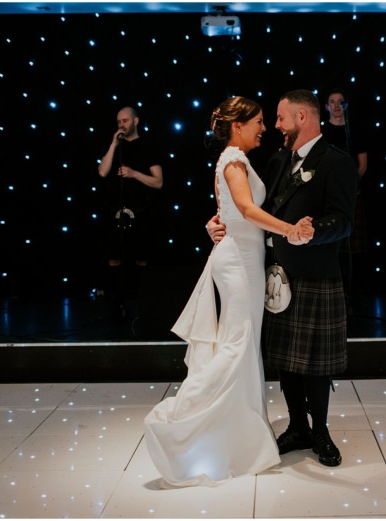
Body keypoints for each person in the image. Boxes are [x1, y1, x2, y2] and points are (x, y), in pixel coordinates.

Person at [143, 96, 314, 487]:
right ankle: (185, 419)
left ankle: (239, 434)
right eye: (257, 121)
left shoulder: (232, 159)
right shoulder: (234, 161)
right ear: (238, 125)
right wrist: (289, 229)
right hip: (238, 264)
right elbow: (246, 209)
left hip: (243, 260)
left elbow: (228, 212)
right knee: (237, 345)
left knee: (243, 344)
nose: (264, 128)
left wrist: (220, 224)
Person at [208, 90, 358, 467]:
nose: (275, 126)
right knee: (286, 359)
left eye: (280, 118)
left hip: (316, 272)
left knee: (317, 363)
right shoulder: (277, 162)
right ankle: (297, 427)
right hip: (276, 274)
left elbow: (343, 221)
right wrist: (219, 221)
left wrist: (310, 232)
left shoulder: (336, 162)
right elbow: (252, 210)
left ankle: (320, 431)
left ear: (303, 118)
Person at [97, 106, 164, 317]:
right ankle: (116, 301)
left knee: (140, 257)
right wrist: (112, 145)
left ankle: (140, 302)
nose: (121, 125)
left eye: (125, 121)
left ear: (135, 121)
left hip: (140, 211)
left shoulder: (147, 147)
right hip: (115, 211)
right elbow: (102, 171)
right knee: (114, 256)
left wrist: (134, 173)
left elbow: (158, 182)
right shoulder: (116, 147)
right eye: (118, 122)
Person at [321, 88, 369, 312]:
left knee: (354, 247)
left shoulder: (354, 131)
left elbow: (362, 165)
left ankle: (355, 293)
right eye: (332, 102)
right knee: (332, 244)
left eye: (341, 102)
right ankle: (334, 292)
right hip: (329, 197)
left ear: (346, 105)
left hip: (351, 195)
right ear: (326, 107)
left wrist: (349, 186)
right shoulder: (321, 133)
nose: (337, 106)